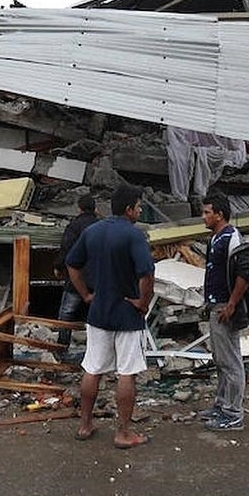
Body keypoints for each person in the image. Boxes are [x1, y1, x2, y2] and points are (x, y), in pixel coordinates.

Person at [65, 183, 155, 449]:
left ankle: (85, 425)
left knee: (92, 369)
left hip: (98, 312)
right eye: (138, 207)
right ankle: (124, 433)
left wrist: (85, 294)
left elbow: (72, 263)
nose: (139, 211)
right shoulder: (133, 235)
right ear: (129, 209)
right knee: (126, 373)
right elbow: (147, 274)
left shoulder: (92, 231)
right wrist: (143, 302)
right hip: (127, 313)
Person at [199, 191, 249, 432]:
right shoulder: (215, 239)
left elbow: (245, 274)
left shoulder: (233, 238)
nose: (203, 217)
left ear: (219, 215)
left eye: (207, 212)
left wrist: (231, 304)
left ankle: (233, 414)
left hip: (225, 306)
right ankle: (222, 404)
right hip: (216, 304)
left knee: (230, 361)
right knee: (220, 359)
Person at [54, 194, 100, 352]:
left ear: (79, 208)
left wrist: (59, 267)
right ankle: (97, 349)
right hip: (97, 277)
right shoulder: (101, 226)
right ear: (95, 209)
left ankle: (62, 345)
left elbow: (66, 249)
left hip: (76, 277)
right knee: (96, 314)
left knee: (67, 311)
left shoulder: (73, 226)